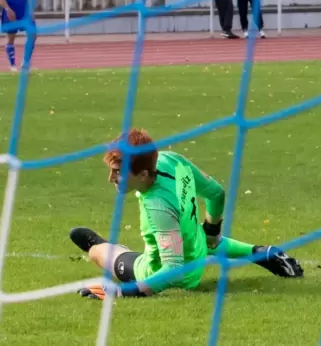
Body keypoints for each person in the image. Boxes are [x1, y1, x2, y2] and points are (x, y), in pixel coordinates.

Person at [72, 128, 303, 300]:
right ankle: (260, 252)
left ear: (142, 174)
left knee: (101, 255)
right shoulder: (171, 160)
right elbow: (216, 194)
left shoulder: (158, 206)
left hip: (179, 275)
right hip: (198, 244)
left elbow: (173, 269)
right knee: (199, 236)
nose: (111, 179)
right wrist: (212, 232)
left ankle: (99, 246)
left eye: (117, 173)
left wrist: (121, 291)